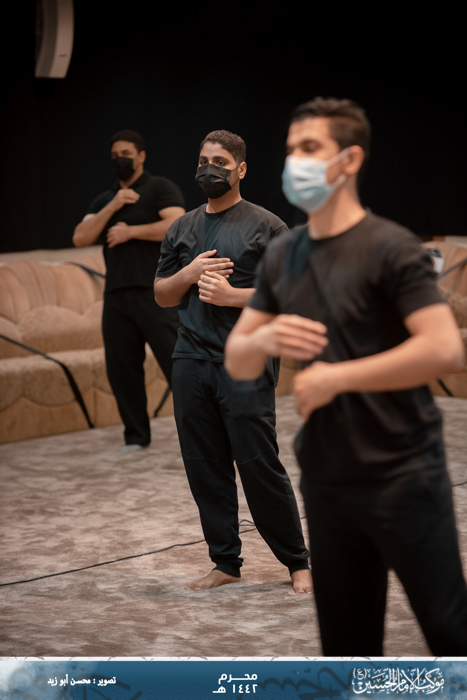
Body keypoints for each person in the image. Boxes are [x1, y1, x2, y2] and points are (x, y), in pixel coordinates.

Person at [224, 98, 467, 655]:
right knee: (347, 649)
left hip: (403, 473)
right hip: (327, 479)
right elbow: (239, 358)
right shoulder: (284, 254)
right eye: (291, 150)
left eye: (310, 148)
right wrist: (262, 338)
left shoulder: (390, 246)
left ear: (350, 159)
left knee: (450, 633)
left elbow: (444, 348)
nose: (295, 161)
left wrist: (338, 378)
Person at [154, 129, 312, 593]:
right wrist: (189, 272)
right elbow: (162, 295)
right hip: (190, 359)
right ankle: (225, 562)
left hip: (246, 362)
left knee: (259, 464)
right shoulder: (180, 228)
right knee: (204, 466)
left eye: (220, 162)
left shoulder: (268, 226)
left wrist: (232, 296)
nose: (210, 169)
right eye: (203, 160)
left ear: (240, 169)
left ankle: (297, 562)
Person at [73, 130, 185, 452]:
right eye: (115, 155)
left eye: (125, 153)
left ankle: (204, 427)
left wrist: (131, 231)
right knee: (122, 369)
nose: (119, 159)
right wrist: (113, 206)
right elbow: (80, 237)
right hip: (116, 295)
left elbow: (177, 225)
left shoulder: (159, 188)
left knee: (178, 364)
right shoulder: (105, 199)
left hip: (157, 292)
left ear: (141, 156)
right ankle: (136, 436)